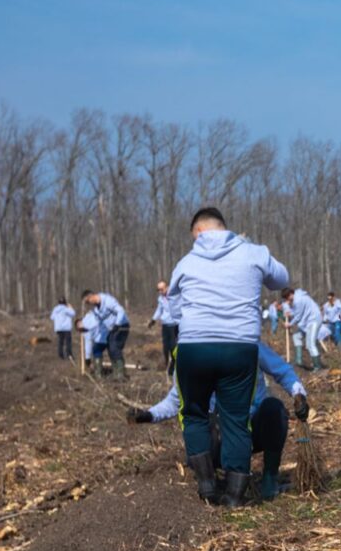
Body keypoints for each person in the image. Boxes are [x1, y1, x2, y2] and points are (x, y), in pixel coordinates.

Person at [166, 206, 291, 506]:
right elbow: (281, 279)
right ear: (224, 226)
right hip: (239, 346)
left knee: (194, 413)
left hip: (194, 346)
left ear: (199, 231)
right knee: (236, 417)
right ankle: (235, 496)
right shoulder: (254, 253)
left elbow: (174, 309)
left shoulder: (186, 263)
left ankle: (207, 485)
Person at [131, 341, 310, 501]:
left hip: (250, 428)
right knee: (204, 422)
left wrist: (298, 394)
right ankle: (210, 479)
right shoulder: (193, 353)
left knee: (274, 409)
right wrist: (149, 415)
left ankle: (269, 478)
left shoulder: (249, 344)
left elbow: (282, 370)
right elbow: (177, 399)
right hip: (217, 435)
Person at [83, 289, 131, 380]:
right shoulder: (96, 310)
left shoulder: (107, 300)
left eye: (87, 301)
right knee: (110, 348)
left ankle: (121, 374)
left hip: (121, 325)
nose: (88, 304)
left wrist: (117, 324)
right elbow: (99, 323)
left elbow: (120, 310)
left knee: (114, 347)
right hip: (112, 329)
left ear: (91, 297)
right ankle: (116, 373)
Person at [282, 286, 325, 371]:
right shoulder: (297, 297)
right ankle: (299, 361)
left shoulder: (298, 300)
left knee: (310, 344)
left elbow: (298, 316)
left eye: (287, 298)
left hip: (313, 320)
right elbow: (297, 312)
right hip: (306, 322)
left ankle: (317, 366)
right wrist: (289, 313)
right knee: (296, 336)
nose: (287, 300)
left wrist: (289, 324)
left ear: (290, 294)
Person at [149, 281, 180, 375]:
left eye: (161, 289)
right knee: (166, 346)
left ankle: (174, 365)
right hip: (165, 324)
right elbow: (159, 310)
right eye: (158, 290)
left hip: (174, 324)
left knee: (173, 346)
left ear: (167, 287)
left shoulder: (175, 296)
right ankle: (166, 363)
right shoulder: (161, 299)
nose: (160, 292)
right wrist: (153, 320)